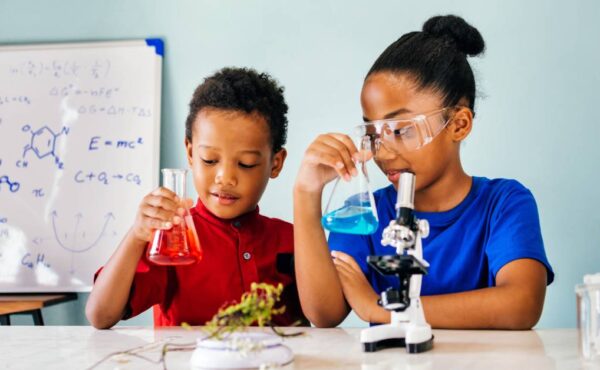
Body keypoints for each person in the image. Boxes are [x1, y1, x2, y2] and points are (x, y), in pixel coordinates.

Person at [294, 15, 554, 329]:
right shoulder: (362, 214)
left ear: (459, 124)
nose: (382, 151)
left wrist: (383, 310)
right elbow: (324, 314)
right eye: (374, 134)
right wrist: (306, 194)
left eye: (401, 130)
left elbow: (521, 305)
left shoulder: (504, 204)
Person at [86, 67, 306, 328]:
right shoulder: (172, 239)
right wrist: (136, 236)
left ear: (275, 163)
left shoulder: (293, 240)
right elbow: (100, 316)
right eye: (210, 160)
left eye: (246, 163)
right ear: (190, 153)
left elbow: (325, 318)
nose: (225, 177)